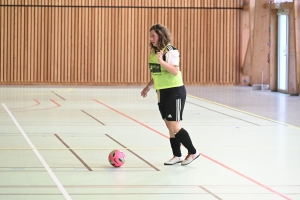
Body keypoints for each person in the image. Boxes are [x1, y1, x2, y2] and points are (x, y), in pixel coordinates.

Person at [141, 24, 200, 166]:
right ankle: (177, 155)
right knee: (169, 125)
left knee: (174, 125)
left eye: (153, 36)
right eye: (150, 36)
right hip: (162, 91)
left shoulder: (170, 50)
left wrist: (162, 61)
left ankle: (193, 152)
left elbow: (174, 71)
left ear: (160, 35)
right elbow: (157, 73)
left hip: (174, 91)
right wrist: (148, 87)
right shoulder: (154, 52)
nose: (150, 39)